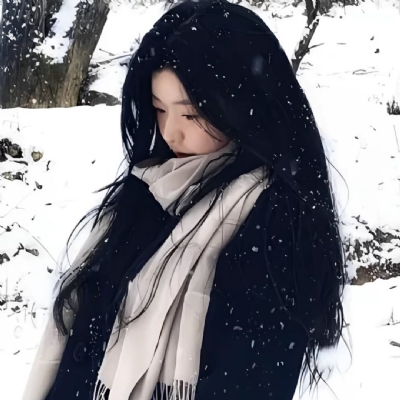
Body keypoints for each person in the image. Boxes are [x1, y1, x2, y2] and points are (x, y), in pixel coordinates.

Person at [22, 0, 345, 399]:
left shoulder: (273, 223)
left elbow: (249, 381)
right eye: (159, 109)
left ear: (242, 107)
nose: (170, 133)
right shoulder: (152, 188)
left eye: (191, 115)